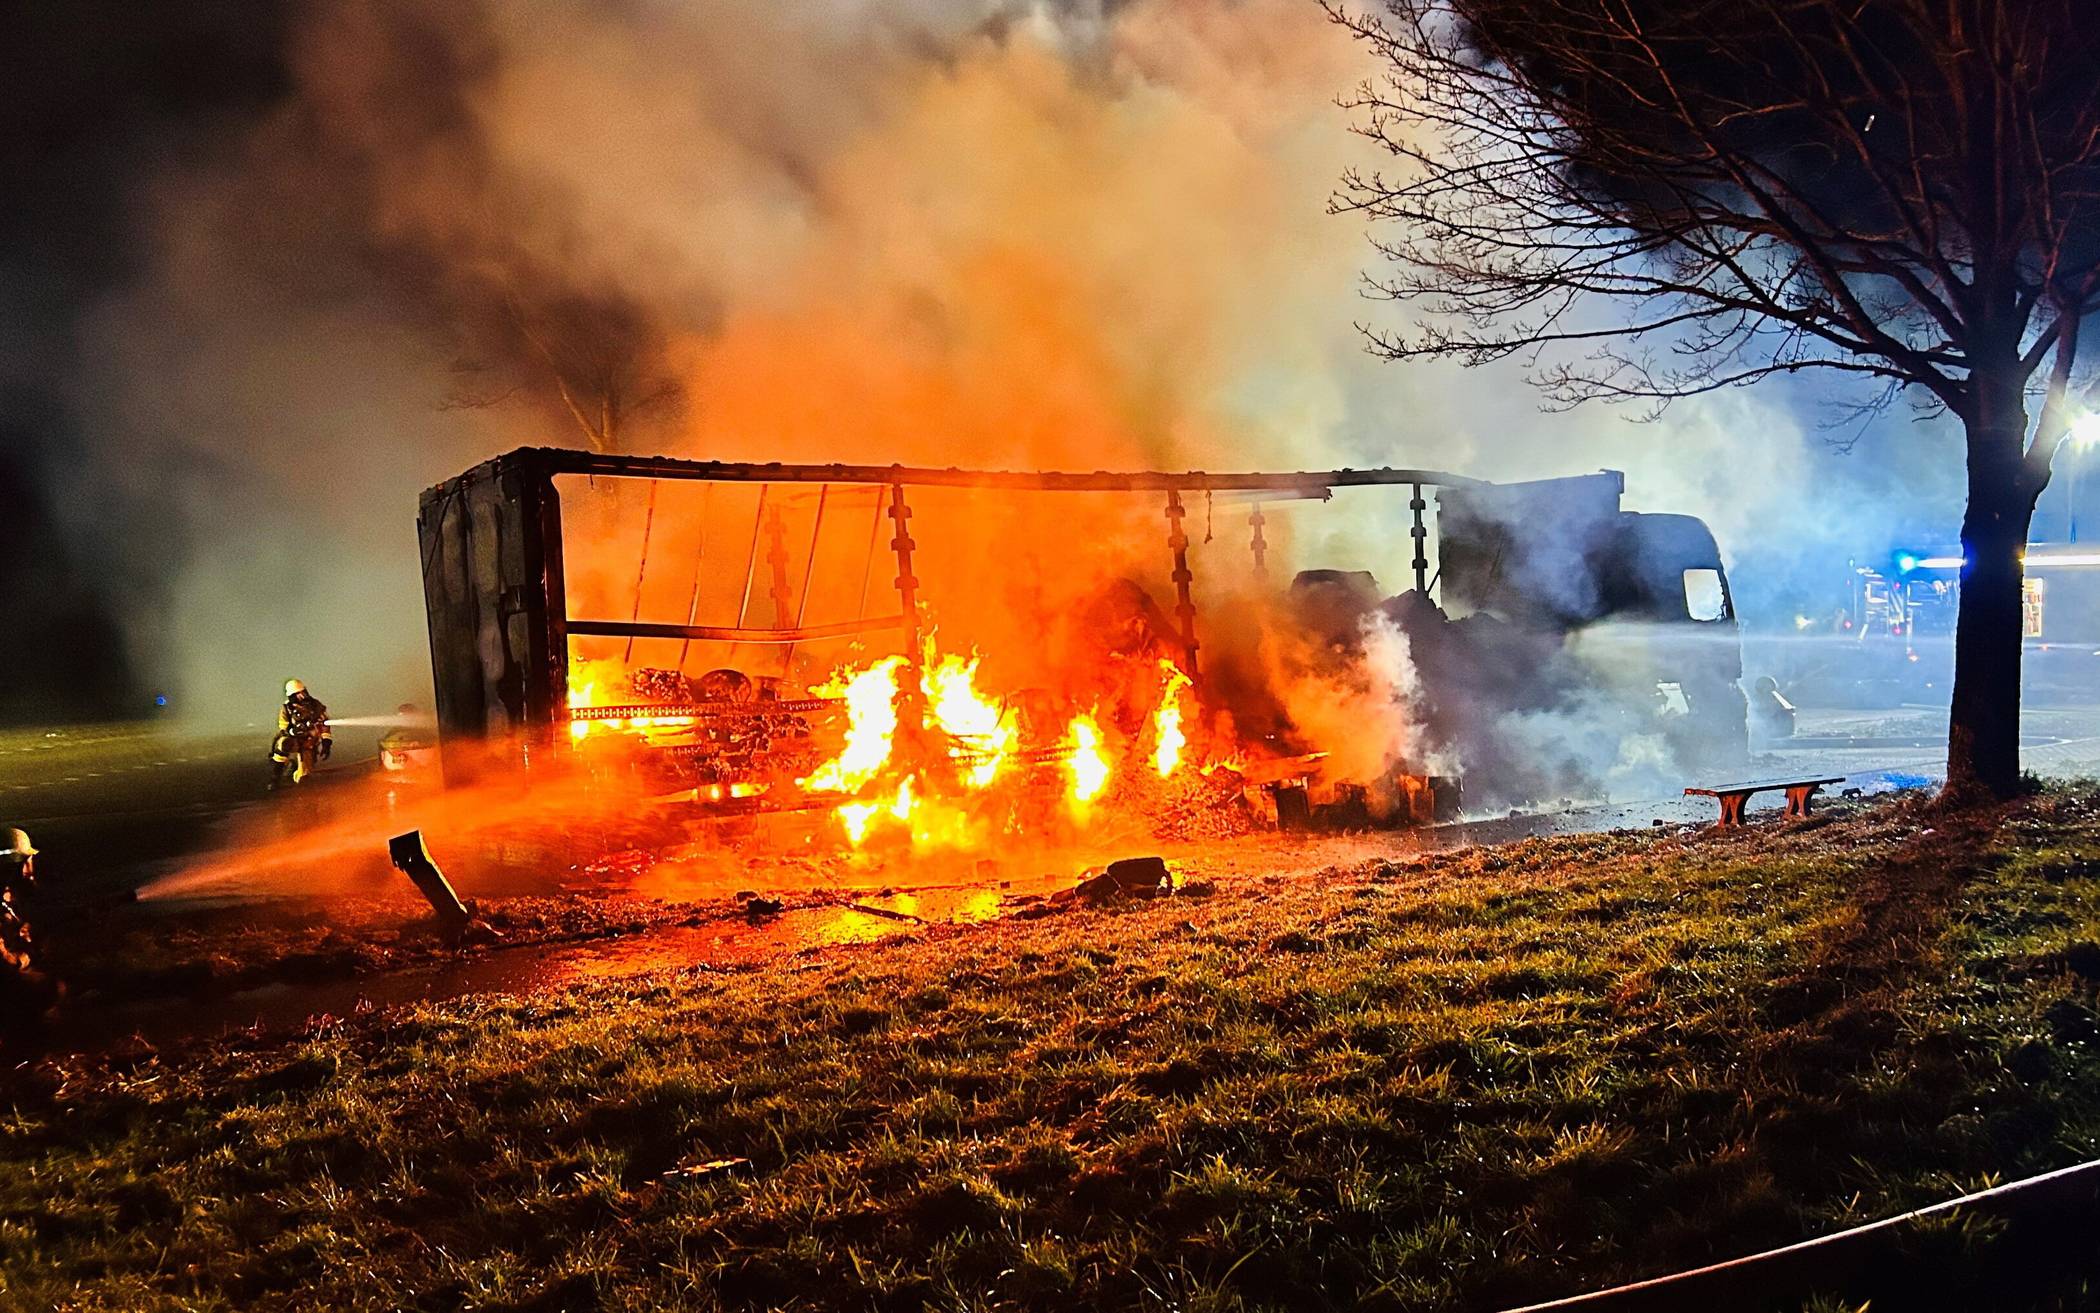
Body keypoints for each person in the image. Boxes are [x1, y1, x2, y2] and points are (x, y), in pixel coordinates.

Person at [1, 827, 59, 1049]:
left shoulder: (8, 895)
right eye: (26, 861)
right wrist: (29, 954)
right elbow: (7, 964)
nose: (30, 868)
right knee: (47, 988)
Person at [271, 678, 333, 787]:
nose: (302, 696)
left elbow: (324, 724)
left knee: (304, 778)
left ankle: (294, 771)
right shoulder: (287, 708)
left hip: (308, 743)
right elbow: (283, 726)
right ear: (292, 696)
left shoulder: (316, 705)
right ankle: (275, 777)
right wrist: (292, 731)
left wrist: (326, 741)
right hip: (294, 740)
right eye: (297, 694)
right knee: (284, 744)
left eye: (302, 692)